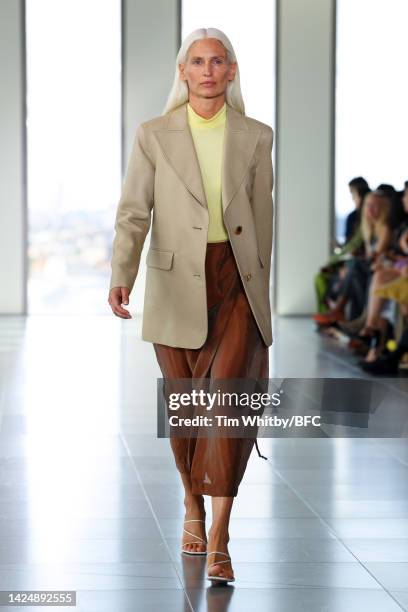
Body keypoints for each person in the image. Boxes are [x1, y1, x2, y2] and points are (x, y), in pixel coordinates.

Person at [108, 28, 274, 585]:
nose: (207, 70)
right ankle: (192, 506)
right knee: (186, 411)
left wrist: (259, 291)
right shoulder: (154, 135)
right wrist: (121, 274)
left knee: (227, 406)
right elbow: (134, 210)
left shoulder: (256, 135)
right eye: (197, 61)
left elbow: (263, 220)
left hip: (235, 283)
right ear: (183, 72)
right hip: (176, 283)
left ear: (231, 71)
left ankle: (221, 538)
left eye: (217, 61)